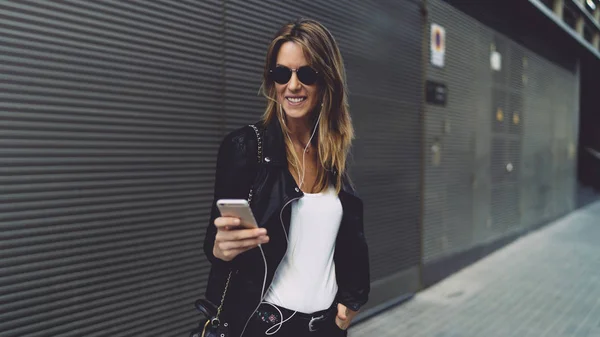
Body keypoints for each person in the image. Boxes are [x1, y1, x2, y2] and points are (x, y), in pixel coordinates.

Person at [203, 19, 370, 337]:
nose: (293, 85)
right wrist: (220, 249)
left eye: (306, 74)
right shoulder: (245, 147)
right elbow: (215, 242)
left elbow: (350, 239)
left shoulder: (332, 152)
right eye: (282, 73)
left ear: (326, 82)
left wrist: (352, 300)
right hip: (262, 324)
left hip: (324, 327)